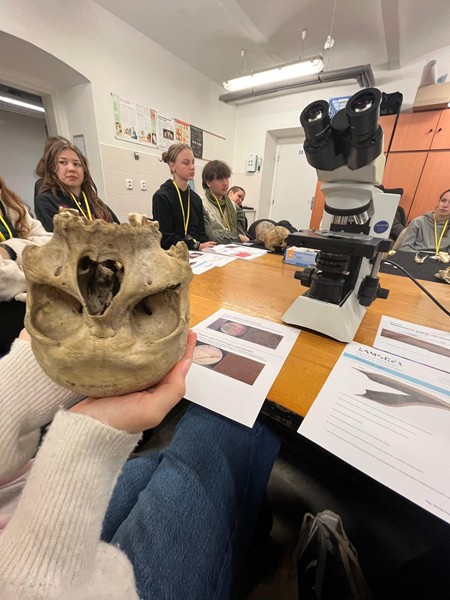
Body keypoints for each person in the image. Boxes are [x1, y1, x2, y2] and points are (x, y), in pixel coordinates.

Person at [0, 330, 279, 599]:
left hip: (12, 501)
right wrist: (85, 440)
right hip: (29, 575)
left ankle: (250, 549)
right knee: (222, 421)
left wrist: (19, 389)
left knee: (160, 467)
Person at [0, 177, 51, 355]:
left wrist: (10, 250)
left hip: (31, 297)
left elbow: (50, 243)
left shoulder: (8, 202)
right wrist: (38, 271)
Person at [35, 140, 119, 232]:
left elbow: (121, 233)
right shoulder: (46, 200)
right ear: (53, 168)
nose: (71, 169)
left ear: (84, 170)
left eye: (76, 164)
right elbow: (58, 238)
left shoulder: (96, 203)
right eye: (63, 162)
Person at [152, 143, 216, 251]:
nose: (192, 167)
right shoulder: (162, 197)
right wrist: (196, 245)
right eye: (186, 163)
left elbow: (201, 233)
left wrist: (207, 246)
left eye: (193, 162)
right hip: (173, 254)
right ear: (172, 166)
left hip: (197, 253)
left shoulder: (195, 199)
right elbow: (165, 238)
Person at [202, 161, 250, 244]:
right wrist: (237, 237)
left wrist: (238, 238)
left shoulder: (234, 206)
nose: (225, 183)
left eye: (227, 178)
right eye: (220, 179)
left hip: (235, 248)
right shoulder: (202, 204)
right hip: (213, 249)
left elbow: (243, 235)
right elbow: (211, 236)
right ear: (209, 182)